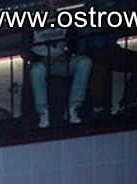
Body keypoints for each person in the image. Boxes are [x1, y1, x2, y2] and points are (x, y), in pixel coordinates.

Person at [27, 0, 92, 128]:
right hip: (41, 63)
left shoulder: (66, 19)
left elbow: (73, 44)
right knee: (36, 71)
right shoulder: (31, 22)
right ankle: (43, 112)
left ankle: (73, 108)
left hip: (61, 62)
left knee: (85, 62)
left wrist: (66, 55)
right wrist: (41, 59)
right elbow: (25, 50)